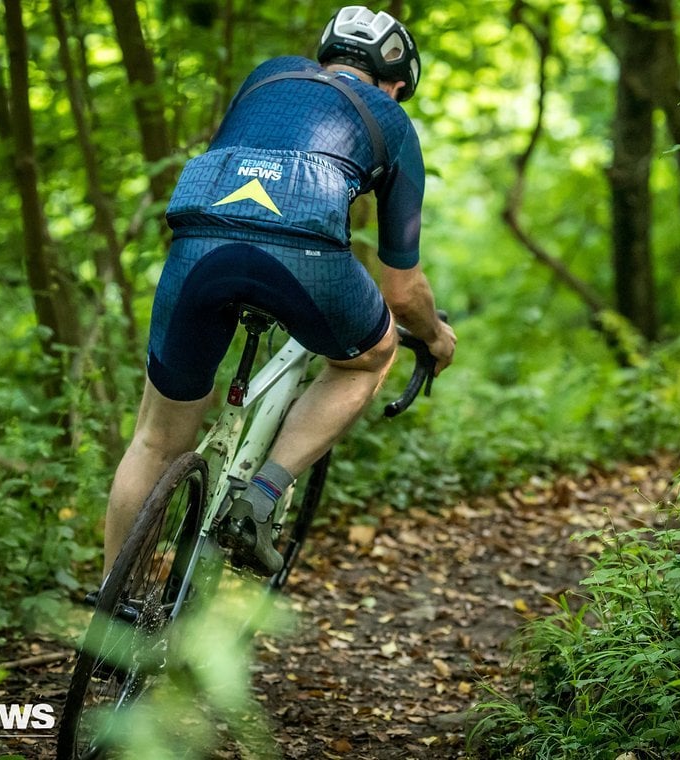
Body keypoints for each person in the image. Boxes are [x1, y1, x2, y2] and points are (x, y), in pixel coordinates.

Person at [104, 5, 456, 577]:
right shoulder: (391, 121)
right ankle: (260, 499)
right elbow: (402, 289)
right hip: (305, 258)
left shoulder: (266, 76)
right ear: (396, 85)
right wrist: (435, 337)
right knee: (371, 356)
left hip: (198, 244)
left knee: (154, 441)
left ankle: (108, 615)